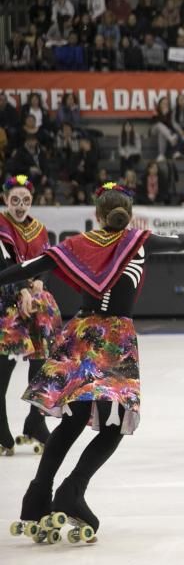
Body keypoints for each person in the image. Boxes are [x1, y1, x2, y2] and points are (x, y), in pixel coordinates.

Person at [3, 182, 184, 543]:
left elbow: (30, 266)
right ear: (129, 216)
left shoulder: (78, 246)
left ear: (97, 216)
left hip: (81, 336)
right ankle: (72, 491)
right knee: (115, 424)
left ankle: (37, 495)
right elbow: (177, 240)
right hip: (114, 342)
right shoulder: (138, 242)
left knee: (71, 422)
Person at [0, 176, 61, 455]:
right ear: (5, 200)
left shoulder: (39, 229)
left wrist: (39, 281)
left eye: (25, 200)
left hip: (34, 303)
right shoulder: (1, 226)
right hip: (5, 301)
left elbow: (48, 261)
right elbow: (4, 265)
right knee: (3, 364)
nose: (20, 205)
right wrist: (22, 288)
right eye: (15, 200)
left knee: (43, 360)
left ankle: (35, 420)